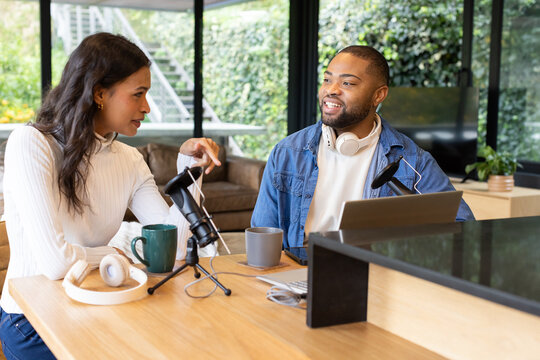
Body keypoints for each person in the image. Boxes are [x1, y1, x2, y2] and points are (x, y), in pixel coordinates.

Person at [0, 32, 220, 359]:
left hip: (100, 300)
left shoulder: (129, 159)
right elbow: (55, 263)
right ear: (100, 93)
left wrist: (190, 170)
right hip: (32, 320)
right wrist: (114, 252)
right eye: (138, 94)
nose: (147, 107)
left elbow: (171, 251)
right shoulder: (31, 144)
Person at [251, 45, 474, 249]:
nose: (332, 90)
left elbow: (462, 226)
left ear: (379, 94)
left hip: (375, 271)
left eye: (347, 83)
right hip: (299, 270)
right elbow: (262, 238)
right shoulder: (287, 152)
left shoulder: (412, 160)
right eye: (328, 80)